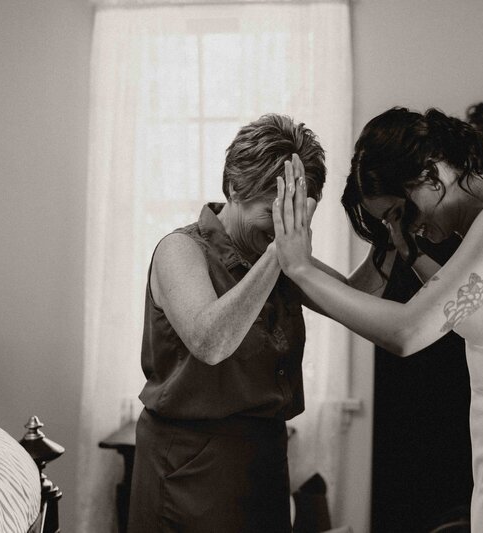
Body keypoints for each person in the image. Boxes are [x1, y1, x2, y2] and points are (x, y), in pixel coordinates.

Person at [272, 107, 483, 532]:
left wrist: (299, 267)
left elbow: (408, 332)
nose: (409, 226)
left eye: (398, 211)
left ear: (430, 175)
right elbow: (361, 297)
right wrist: (287, 260)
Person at [128, 114, 332, 533]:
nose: (285, 227)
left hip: (265, 461)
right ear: (234, 188)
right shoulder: (180, 251)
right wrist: (281, 250)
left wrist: (388, 237)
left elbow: (354, 300)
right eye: (272, 211)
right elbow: (211, 342)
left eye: (294, 214)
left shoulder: (274, 256)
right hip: (191, 468)